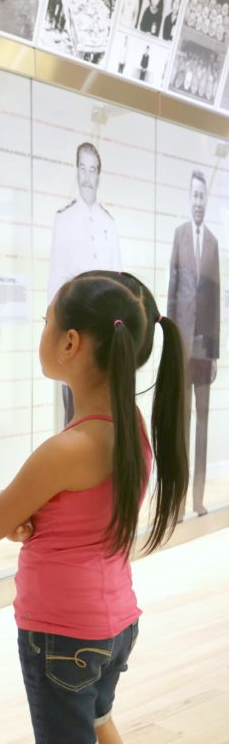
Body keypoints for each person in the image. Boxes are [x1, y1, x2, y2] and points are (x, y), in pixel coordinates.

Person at [0, 271, 188, 744]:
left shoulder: (63, 449)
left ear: (69, 344)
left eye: (43, 323)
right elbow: (75, 516)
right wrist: (33, 518)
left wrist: (19, 518)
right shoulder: (134, 433)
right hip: (115, 623)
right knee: (97, 723)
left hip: (58, 636)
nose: (38, 334)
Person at [47, 143, 122, 423]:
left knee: (103, 413)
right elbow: (55, 282)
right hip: (73, 336)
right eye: (83, 168)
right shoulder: (64, 219)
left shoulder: (108, 223)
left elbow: (119, 284)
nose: (87, 177)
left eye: (93, 170)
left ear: (98, 175)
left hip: (104, 337)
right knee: (73, 416)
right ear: (76, 172)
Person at [167, 170, 221, 516]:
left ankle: (198, 499)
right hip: (183, 346)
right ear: (189, 198)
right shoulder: (179, 236)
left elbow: (215, 304)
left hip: (204, 349)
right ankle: (178, 498)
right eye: (195, 196)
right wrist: (171, 345)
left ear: (207, 200)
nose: (198, 202)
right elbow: (172, 294)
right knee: (181, 422)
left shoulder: (214, 243)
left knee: (202, 422)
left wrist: (214, 354)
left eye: (203, 196)